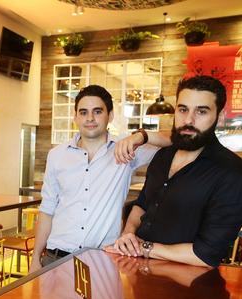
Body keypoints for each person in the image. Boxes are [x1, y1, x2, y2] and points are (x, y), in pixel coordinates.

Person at [108, 75, 242, 267]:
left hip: (189, 286)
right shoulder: (162, 157)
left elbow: (206, 254)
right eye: (183, 109)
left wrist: (143, 247)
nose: (189, 120)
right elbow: (143, 203)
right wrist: (128, 232)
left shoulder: (233, 173)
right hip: (138, 274)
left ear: (219, 117)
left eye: (201, 111)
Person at [30, 85, 169, 272]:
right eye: (83, 112)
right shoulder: (57, 155)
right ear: (75, 117)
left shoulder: (127, 150)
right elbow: (47, 210)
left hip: (102, 261)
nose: (90, 118)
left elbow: (174, 141)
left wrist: (140, 136)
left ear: (110, 116)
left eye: (97, 111)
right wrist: (35, 258)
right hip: (55, 259)